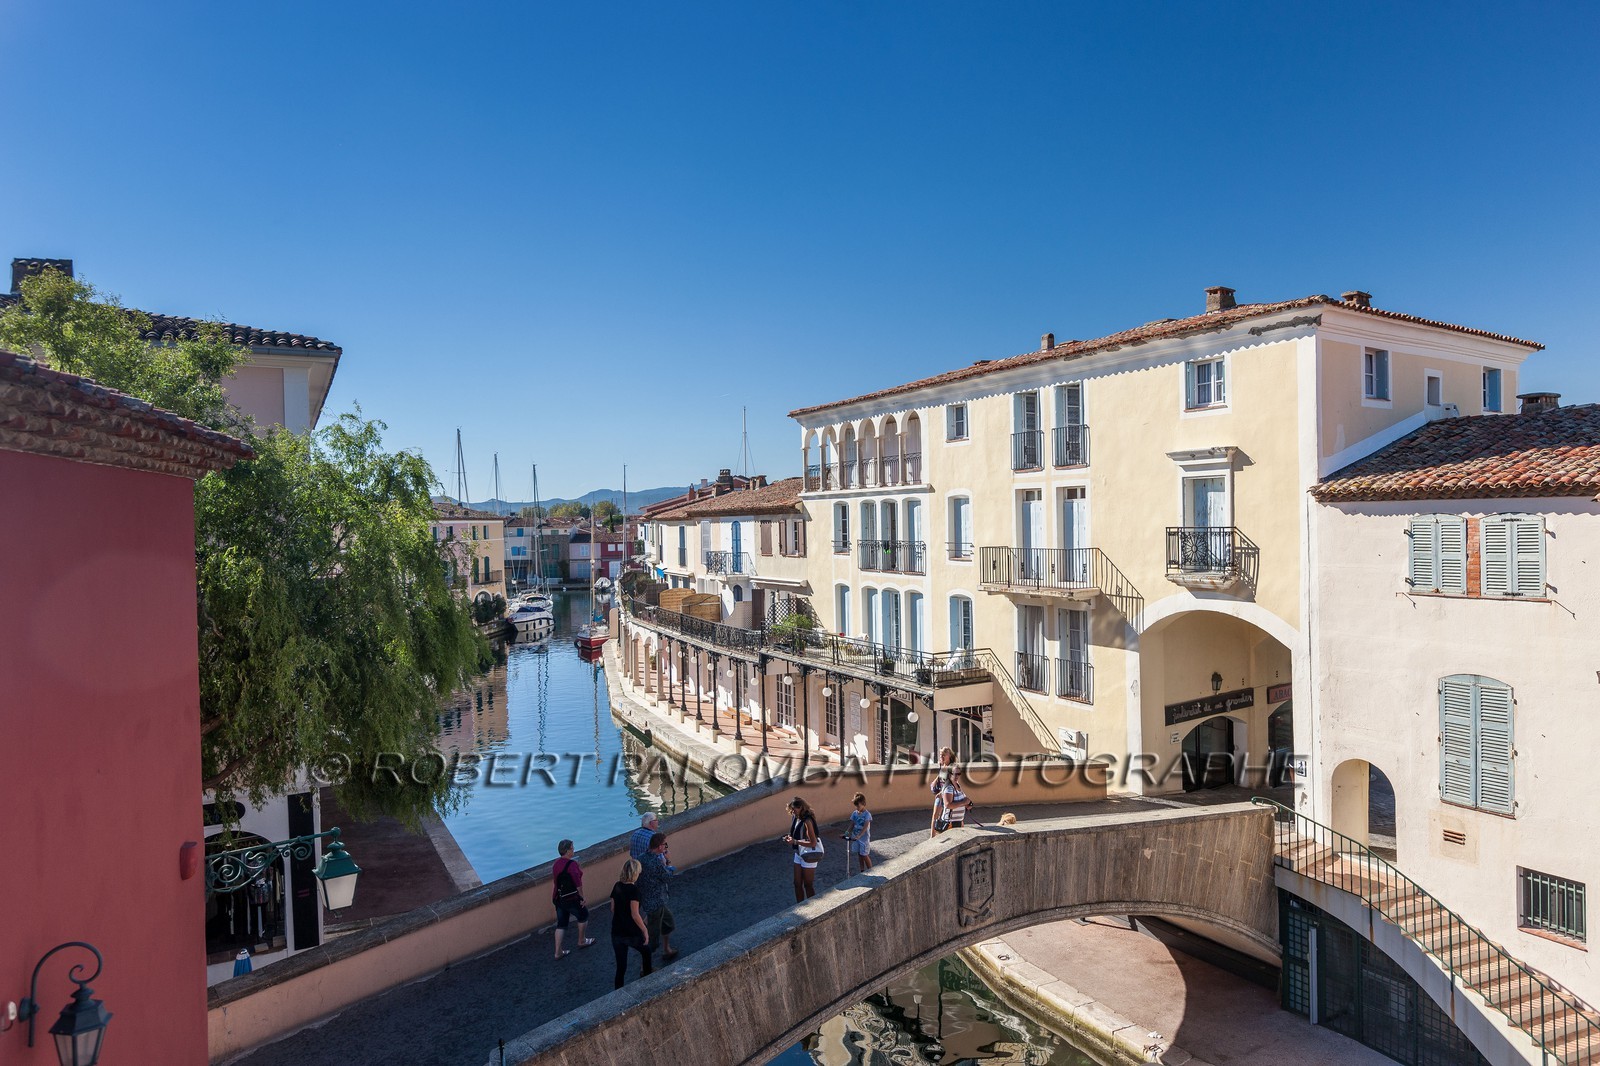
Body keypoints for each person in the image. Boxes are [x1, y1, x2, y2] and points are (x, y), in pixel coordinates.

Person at [609, 858, 651, 988]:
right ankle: (648, 980)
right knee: (646, 952)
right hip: (631, 932)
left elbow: (612, 908)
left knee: (621, 967)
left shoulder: (617, 886)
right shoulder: (634, 891)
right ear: (635, 873)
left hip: (616, 931)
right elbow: (635, 914)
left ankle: (618, 992)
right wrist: (644, 929)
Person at [637, 832, 679, 961]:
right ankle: (645, 968)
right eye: (665, 844)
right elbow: (667, 877)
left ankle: (667, 950)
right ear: (660, 847)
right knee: (652, 939)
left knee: (668, 923)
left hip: (650, 900)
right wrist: (668, 863)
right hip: (655, 903)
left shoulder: (641, 857)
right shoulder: (656, 862)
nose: (666, 847)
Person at [552, 839, 595, 959]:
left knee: (561, 924)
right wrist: (582, 897)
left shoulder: (556, 864)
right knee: (583, 916)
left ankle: (558, 951)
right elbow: (578, 884)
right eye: (572, 848)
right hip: (572, 897)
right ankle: (581, 940)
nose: (574, 849)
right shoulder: (572, 865)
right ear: (567, 851)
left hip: (559, 898)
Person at [784, 796, 822, 902]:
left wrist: (795, 841)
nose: (792, 811)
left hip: (809, 854)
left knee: (808, 885)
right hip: (798, 853)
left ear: (800, 807)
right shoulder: (795, 817)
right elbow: (796, 834)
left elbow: (813, 842)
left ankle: (814, 909)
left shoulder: (807, 821)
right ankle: (800, 906)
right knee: (797, 883)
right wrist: (790, 837)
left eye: (794, 809)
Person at [845, 792, 873, 872]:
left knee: (864, 855)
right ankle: (862, 870)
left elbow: (865, 827)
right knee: (859, 855)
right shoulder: (855, 813)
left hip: (863, 839)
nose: (857, 807)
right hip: (856, 837)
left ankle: (871, 870)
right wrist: (846, 833)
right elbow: (852, 824)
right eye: (856, 806)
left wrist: (860, 835)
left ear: (863, 803)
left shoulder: (867, 814)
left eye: (858, 806)